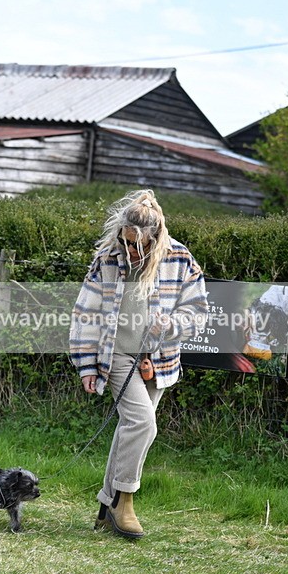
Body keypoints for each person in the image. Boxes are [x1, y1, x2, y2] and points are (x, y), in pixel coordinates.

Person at [69, 189, 208, 539]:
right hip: (114, 354)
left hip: (158, 359)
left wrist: (171, 325)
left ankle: (106, 508)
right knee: (143, 423)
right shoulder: (107, 258)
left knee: (130, 429)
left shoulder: (179, 258)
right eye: (126, 241)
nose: (130, 250)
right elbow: (85, 312)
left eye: (137, 245)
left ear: (154, 239)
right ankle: (125, 500)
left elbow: (198, 312)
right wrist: (86, 365)